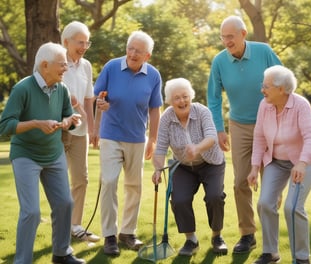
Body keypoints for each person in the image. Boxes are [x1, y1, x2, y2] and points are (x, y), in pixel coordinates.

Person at [0, 42, 85, 264]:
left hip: (53, 153)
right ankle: (23, 261)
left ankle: (61, 253)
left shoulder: (62, 88)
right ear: (45, 65)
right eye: (62, 64)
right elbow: (5, 126)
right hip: (26, 154)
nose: (66, 69)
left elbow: (68, 116)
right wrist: (36, 123)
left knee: (65, 203)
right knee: (31, 212)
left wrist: (69, 121)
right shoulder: (22, 88)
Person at [207, 15, 282, 253]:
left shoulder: (265, 52)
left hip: (270, 123)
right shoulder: (219, 61)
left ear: (243, 34)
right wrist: (219, 129)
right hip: (239, 125)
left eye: (230, 36)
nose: (226, 41)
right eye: (223, 37)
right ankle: (247, 234)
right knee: (240, 181)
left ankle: (270, 234)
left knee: (271, 182)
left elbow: (286, 83)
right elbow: (214, 98)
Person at [93, 30, 163, 256]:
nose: (132, 53)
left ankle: (127, 232)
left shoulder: (153, 75)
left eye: (138, 51)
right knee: (110, 181)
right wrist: (102, 103)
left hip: (136, 138)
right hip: (111, 134)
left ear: (147, 56)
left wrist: (153, 138)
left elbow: (155, 109)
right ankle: (109, 236)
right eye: (130, 48)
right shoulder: (112, 67)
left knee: (134, 186)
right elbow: (98, 95)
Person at [247, 65, 311, 264]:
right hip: (277, 161)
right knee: (264, 203)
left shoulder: (301, 105)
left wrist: (303, 163)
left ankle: (302, 257)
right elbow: (259, 137)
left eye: (266, 86)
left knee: (293, 207)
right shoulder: (265, 105)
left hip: (305, 160)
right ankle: (271, 253)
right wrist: (254, 167)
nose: (262, 90)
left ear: (281, 89)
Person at [152, 78, 227, 256]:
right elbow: (161, 147)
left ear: (191, 96)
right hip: (183, 165)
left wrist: (197, 147)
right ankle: (191, 240)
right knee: (179, 200)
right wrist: (157, 168)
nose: (182, 101)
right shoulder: (166, 119)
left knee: (215, 197)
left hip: (211, 162)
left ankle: (217, 237)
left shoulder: (202, 111)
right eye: (176, 98)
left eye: (185, 96)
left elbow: (212, 137)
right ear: (170, 100)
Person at [61, 21, 100, 243]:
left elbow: (88, 99)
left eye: (87, 42)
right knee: (58, 180)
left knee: (81, 179)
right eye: (80, 42)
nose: (84, 46)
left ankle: (75, 225)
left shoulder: (86, 65)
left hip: (80, 131)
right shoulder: (57, 61)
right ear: (66, 42)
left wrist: (92, 128)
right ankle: (61, 223)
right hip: (59, 128)